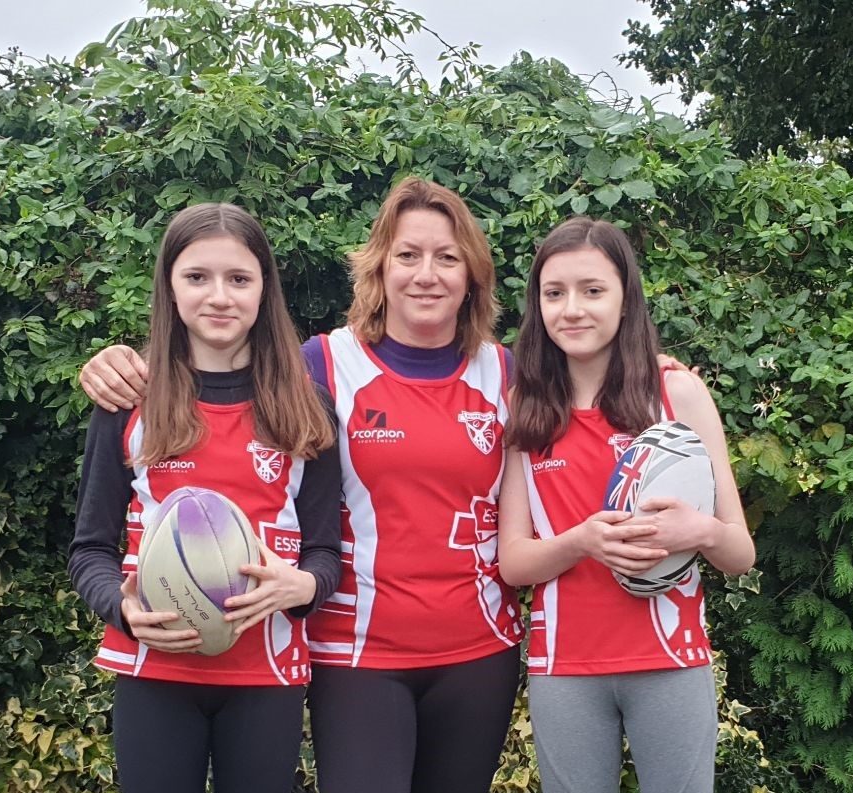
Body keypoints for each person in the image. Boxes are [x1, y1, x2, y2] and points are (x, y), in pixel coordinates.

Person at [79, 177, 523, 793]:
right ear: (378, 268)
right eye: (407, 255)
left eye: (448, 257)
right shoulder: (320, 366)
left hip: (471, 651)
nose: (427, 274)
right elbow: (91, 546)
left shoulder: (509, 375)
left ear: (474, 274)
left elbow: (590, 392)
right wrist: (109, 363)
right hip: (350, 655)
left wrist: (661, 372)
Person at [68, 203, 341, 793]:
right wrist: (124, 612)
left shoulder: (307, 407)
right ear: (170, 285)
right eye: (197, 277)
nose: (219, 296)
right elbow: (89, 548)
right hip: (156, 669)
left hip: (265, 675)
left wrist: (304, 588)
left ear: (264, 289)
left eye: (239, 279)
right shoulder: (129, 403)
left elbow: (325, 553)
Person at [497, 216, 755, 793]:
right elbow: (513, 560)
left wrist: (701, 530)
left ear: (624, 299)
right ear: (537, 304)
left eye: (593, 291)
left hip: (670, 661)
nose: (572, 310)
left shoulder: (676, 394)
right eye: (554, 293)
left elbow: (740, 552)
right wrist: (580, 541)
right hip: (564, 669)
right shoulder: (527, 409)